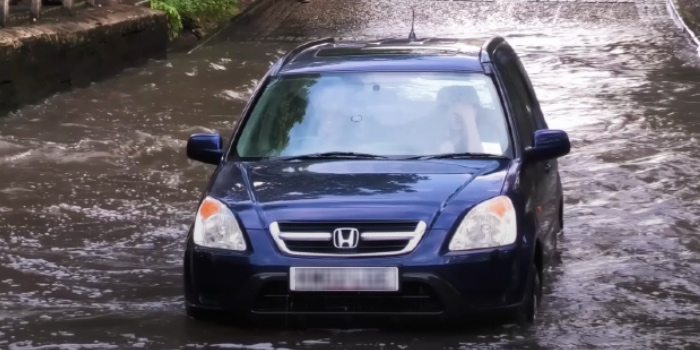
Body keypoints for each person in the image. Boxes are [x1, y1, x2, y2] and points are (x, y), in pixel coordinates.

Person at [435, 85, 484, 153]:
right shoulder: (431, 135)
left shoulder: (489, 132)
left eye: (466, 112)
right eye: (456, 114)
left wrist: (470, 122)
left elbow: (480, 160)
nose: (459, 118)